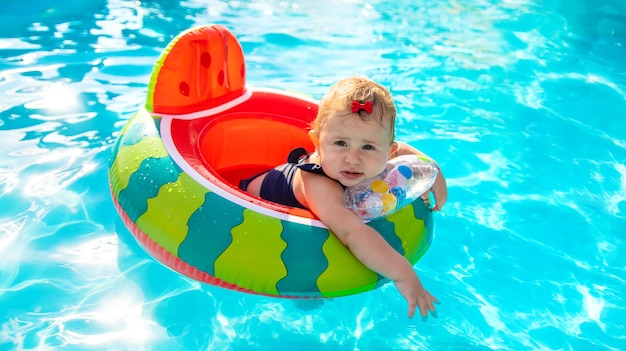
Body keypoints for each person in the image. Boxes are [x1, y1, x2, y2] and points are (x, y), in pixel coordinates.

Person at [240, 77, 448, 319]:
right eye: (340, 143)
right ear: (317, 143)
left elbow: (403, 149)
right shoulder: (318, 184)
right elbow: (352, 233)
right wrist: (403, 274)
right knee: (306, 296)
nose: (353, 158)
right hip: (253, 204)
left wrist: (435, 171)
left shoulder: (364, 156)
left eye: (368, 147)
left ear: (387, 152)